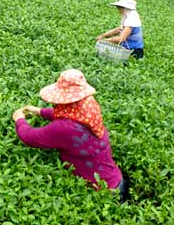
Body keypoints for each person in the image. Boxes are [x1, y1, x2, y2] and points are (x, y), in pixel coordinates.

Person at [12, 69, 129, 202]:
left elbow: (29, 137)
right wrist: (39, 111)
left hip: (104, 194)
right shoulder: (90, 106)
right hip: (117, 180)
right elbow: (69, 114)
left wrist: (19, 119)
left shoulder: (63, 128)